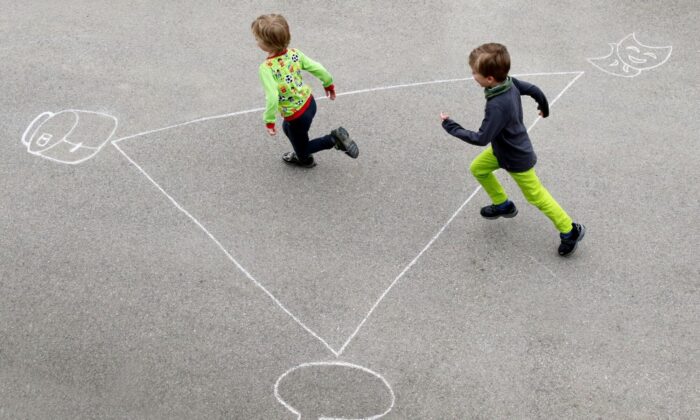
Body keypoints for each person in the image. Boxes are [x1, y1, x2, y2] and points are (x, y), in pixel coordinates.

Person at [440, 43, 585, 256]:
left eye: (474, 73)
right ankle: (503, 205)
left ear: (489, 78)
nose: (472, 76)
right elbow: (533, 90)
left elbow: (481, 138)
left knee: (536, 196)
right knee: (478, 168)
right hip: (502, 151)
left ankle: (570, 230)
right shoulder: (509, 82)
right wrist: (544, 107)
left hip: (516, 158)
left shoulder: (497, 105)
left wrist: (451, 126)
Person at [251, 14, 358, 168]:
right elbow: (318, 68)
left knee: (302, 148)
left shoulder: (266, 68)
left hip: (297, 116)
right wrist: (328, 84)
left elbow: (273, 97)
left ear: (266, 44)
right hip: (309, 103)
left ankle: (331, 141)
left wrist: (269, 120)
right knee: (288, 128)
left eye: (257, 39)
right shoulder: (294, 53)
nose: (256, 42)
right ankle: (303, 150)